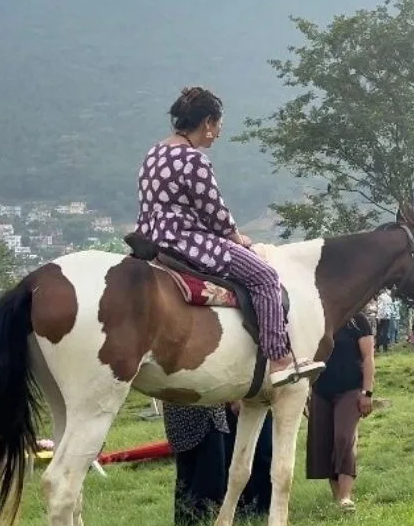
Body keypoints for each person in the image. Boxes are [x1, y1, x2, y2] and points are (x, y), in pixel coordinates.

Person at [132, 86, 324, 388]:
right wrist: (237, 237)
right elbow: (214, 211)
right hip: (188, 243)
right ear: (207, 122)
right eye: (218, 125)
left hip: (155, 241)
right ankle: (279, 358)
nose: (218, 133)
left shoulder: (154, 153)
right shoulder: (193, 159)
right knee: (265, 277)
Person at [162, 401, 272, 526]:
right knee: (206, 472)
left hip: (207, 411)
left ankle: (192, 523)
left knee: (198, 471)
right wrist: (234, 399)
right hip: (203, 411)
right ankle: (198, 523)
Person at [306, 312, 376, 512]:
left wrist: (367, 392)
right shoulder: (318, 319)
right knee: (325, 442)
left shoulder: (358, 321)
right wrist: (305, 394)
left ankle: (346, 496)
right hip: (320, 390)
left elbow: (368, 358)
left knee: (344, 438)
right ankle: (338, 497)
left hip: (350, 389)